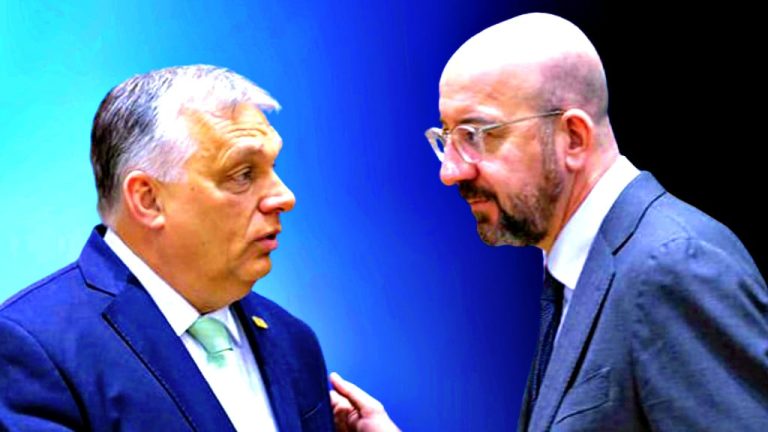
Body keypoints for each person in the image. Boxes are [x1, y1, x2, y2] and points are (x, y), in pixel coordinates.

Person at [330, 12, 768, 431]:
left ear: (573, 137)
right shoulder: (581, 272)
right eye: (447, 137)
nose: (451, 171)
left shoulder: (671, 268)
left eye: (476, 135)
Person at [0, 65, 334, 431]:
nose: (284, 197)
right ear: (148, 199)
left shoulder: (294, 341)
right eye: (243, 174)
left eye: (272, 168)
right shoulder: (32, 348)